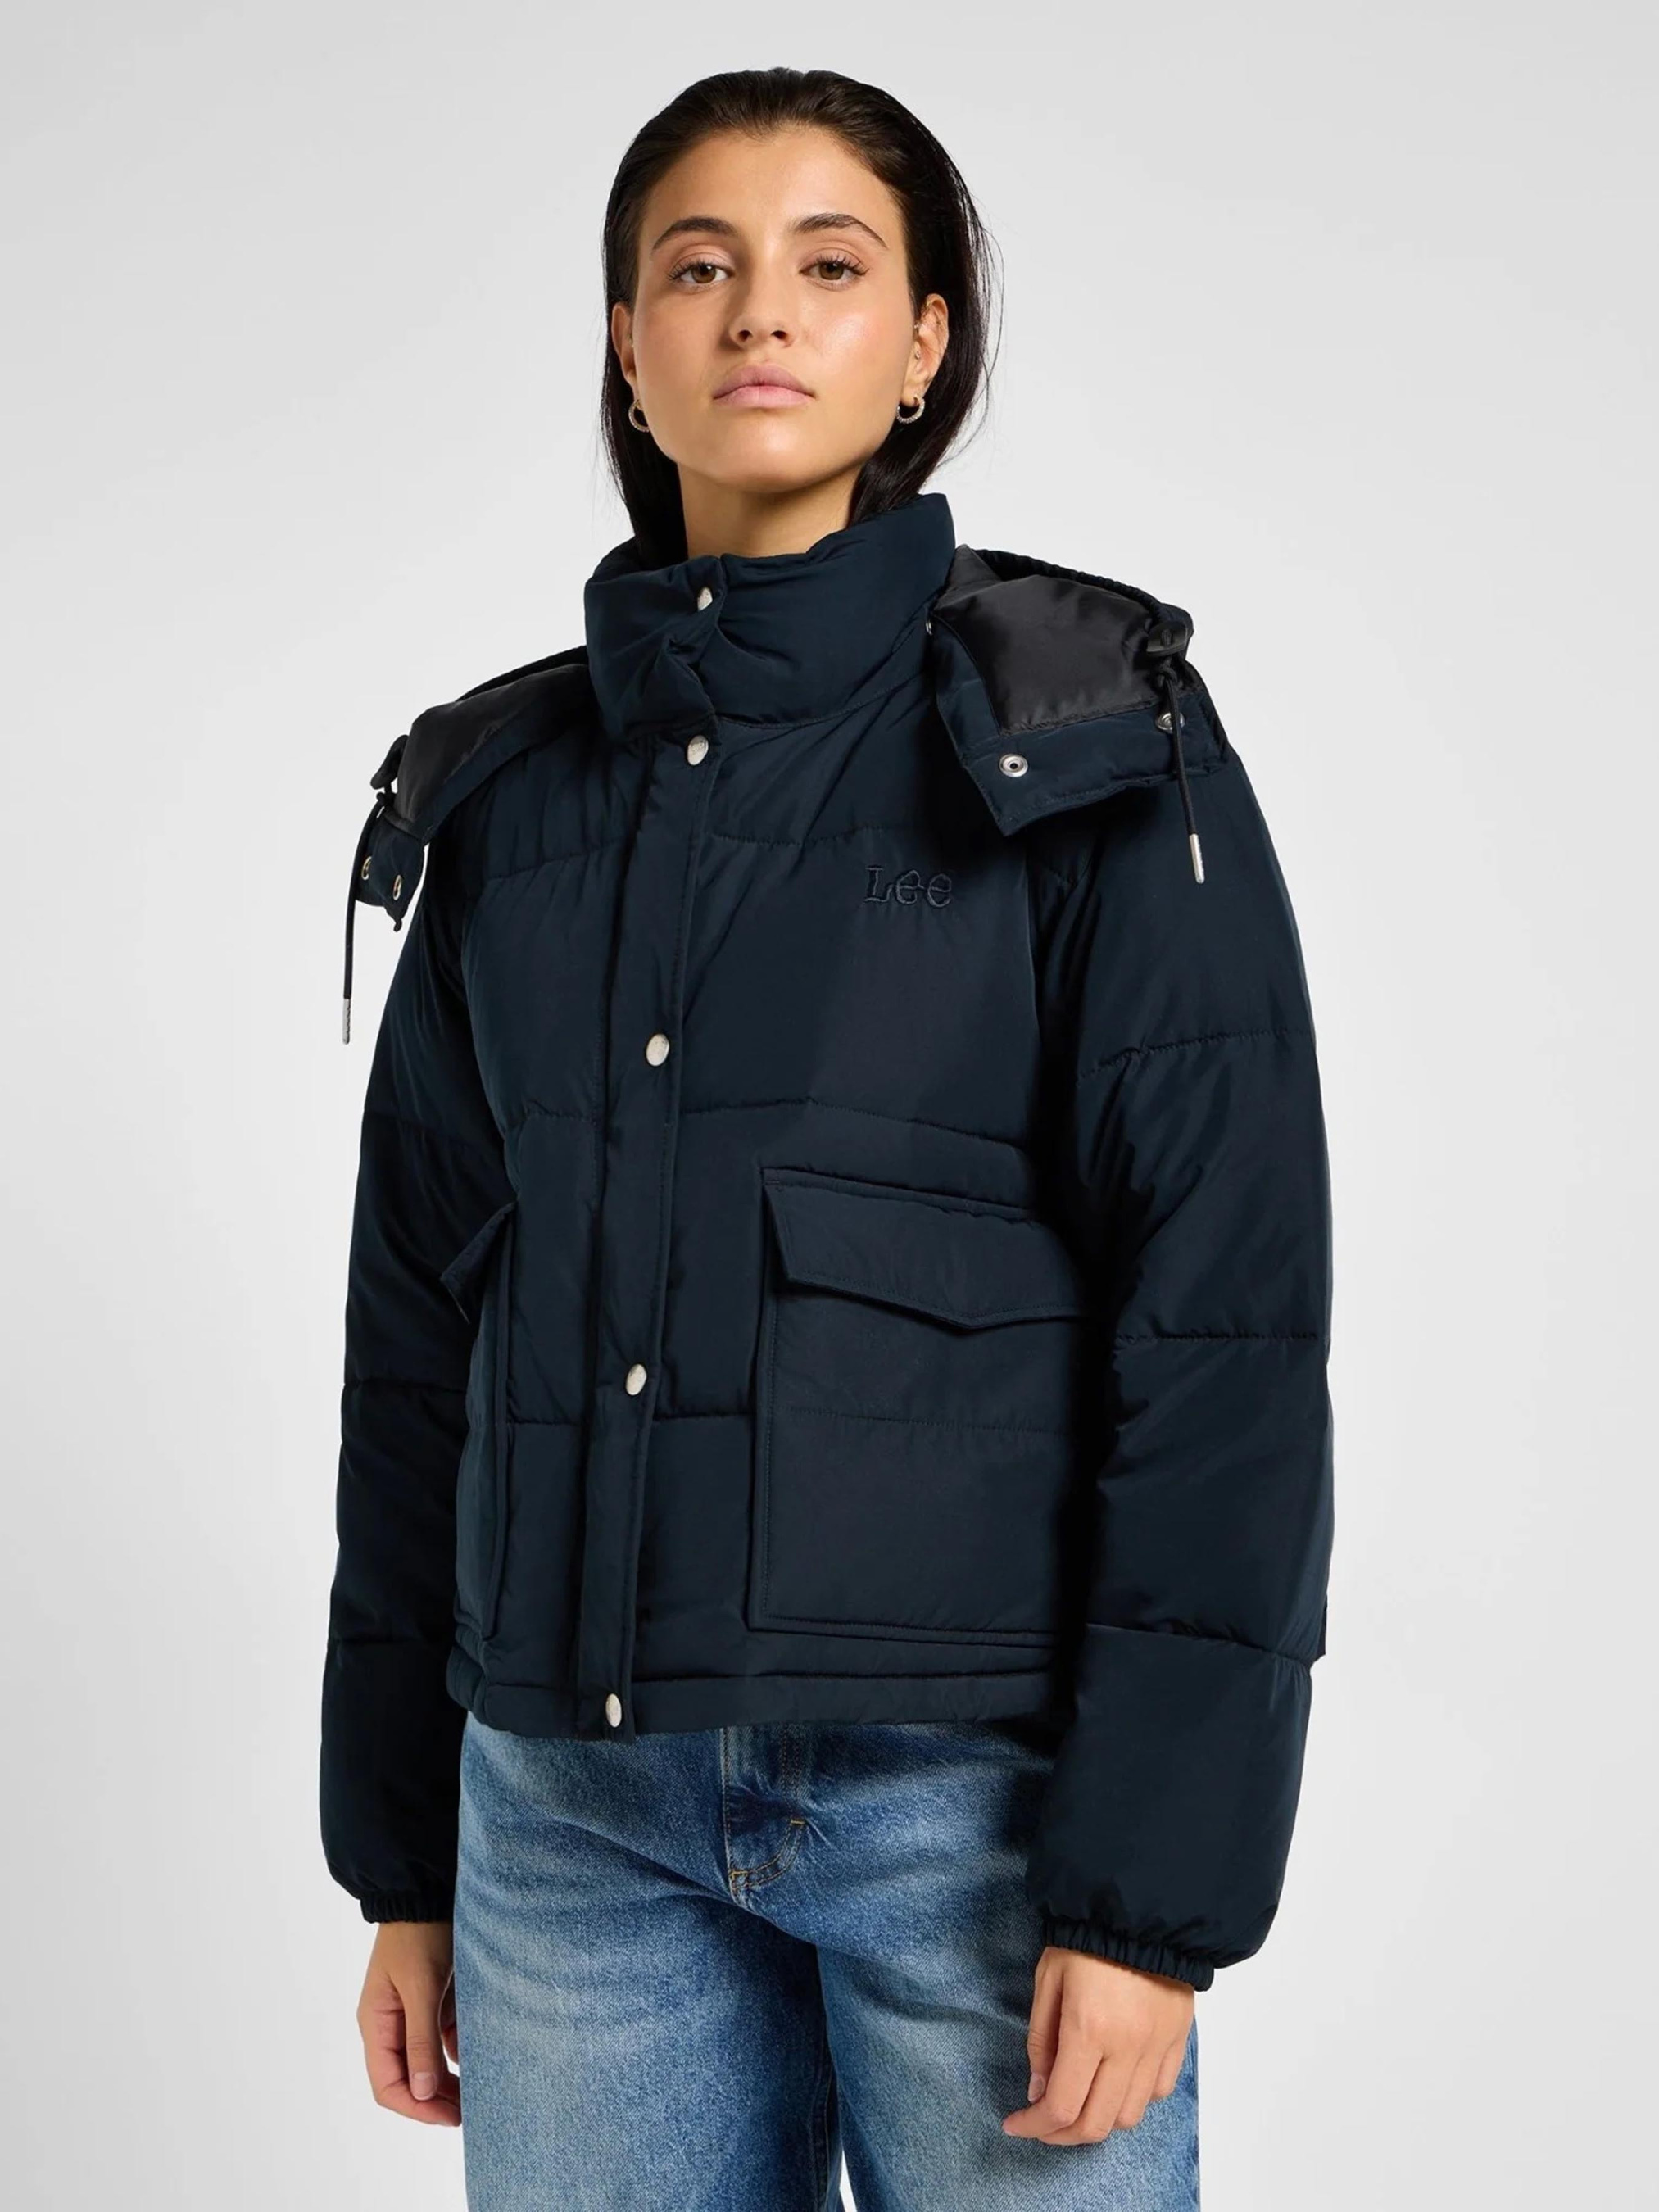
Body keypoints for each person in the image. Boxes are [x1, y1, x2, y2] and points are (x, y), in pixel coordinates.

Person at [320, 65, 1334, 2212]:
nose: (759, 312)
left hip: (967, 1810)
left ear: (925, 342)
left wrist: (1150, 1895)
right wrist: (403, 1850)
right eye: (696, 267)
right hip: (565, 1816)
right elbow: (418, 1347)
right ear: (626, 342)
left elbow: (1223, 1324)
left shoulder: (1087, 744)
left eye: (831, 264)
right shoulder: (501, 802)